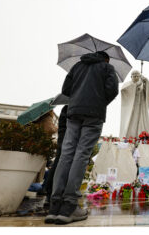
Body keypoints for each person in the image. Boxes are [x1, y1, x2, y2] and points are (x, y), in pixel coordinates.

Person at [45, 51, 118, 224]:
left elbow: (66, 90)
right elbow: (112, 90)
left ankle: (55, 206)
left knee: (66, 154)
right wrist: (99, 101)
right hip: (94, 114)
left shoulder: (77, 66)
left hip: (73, 112)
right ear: (106, 59)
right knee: (82, 154)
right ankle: (69, 206)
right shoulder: (107, 67)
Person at [43, 105, 68, 206]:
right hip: (66, 140)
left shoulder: (65, 108)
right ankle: (53, 193)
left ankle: (49, 193)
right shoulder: (70, 108)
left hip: (62, 139)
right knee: (59, 164)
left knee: (57, 163)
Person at [119, 70, 149, 138]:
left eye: (137, 76)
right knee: (131, 122)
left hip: (141, 107)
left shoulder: (142, 84)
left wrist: (146, 82)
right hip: (132, 108)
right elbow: (123, 90)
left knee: (141, 121)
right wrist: (134, 86)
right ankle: (129, 136)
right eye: (134, 76)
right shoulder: (128, 84)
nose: (135, 77)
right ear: (131, 76)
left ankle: (142, 136)